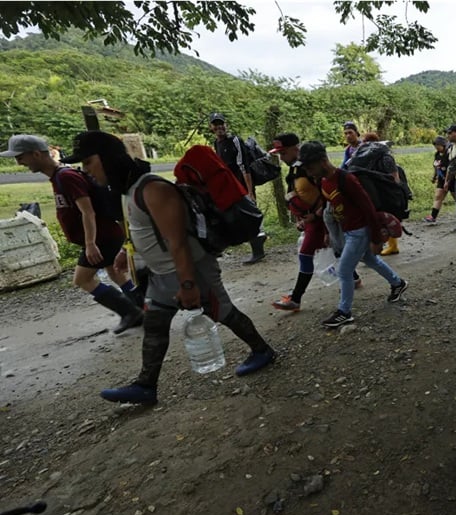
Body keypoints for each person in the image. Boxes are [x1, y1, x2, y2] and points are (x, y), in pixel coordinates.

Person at [62, 130, 277, 405]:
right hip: (163, 273)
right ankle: (145, 385)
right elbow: (144, 230)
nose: (85, 169)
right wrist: (125, 252)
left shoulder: (152, 189)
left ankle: (262, 351)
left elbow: (178, 242)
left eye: (88, 161)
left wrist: (188, 284)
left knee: (223, 311)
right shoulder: (129, 190)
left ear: (106, 158)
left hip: (190, 269)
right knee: (155, 325)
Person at [1, 134, 143, 334]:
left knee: (82, 279)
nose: (19, 162)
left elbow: (87, 211)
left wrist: (90, 243)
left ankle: (130, 312)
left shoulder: (66, 177)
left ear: (36, 154)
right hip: (104, 235)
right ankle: (143, 310)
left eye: (20, 157)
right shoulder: (59, 177)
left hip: (100, 237)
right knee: (116, 273)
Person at [298, 141, 409, 328]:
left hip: (359, 231)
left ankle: (344, 312)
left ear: (323, 160)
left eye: (311, 167)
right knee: (371, 261)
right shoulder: (324, 181)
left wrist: (375, 239)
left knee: (344, 270)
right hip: (347, 230)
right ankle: (398, 283)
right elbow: (329, 207)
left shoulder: (346, 179)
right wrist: (327, 232)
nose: (310, 173)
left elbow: (368, 208)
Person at [269, 133, 327, 312]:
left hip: (321, 220)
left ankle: (295, 299)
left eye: (283, 153)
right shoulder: (294, 168)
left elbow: (328, 193)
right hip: (310, 220)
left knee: (306, 255)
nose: (281, 157)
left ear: (295, 149)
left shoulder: (310, 168)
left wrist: (317, 216)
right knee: (340, 254)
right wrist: (299, 218)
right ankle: (357, 278)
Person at [209, 112, 267, 264]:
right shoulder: (217, 143)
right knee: (236, 218)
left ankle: (258, 250)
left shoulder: (234, 140)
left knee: (249, 217)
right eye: (216, 124)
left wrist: (249, 191)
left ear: (226, 125)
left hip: (242, 186)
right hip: (230, 187)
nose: (219, 127)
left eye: (221, 123)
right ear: (211, 128)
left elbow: (244, 166)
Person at [423, 135, 452, 225]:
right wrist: (434, 176)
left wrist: (447, 181)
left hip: (451, 179)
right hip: (441, 179)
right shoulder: (437, 155)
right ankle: (433, 216)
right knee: (438, 196)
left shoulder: (449, 154)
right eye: (435, 146)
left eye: (438, 145)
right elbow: (437, 167)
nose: (436, 147)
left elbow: (451, 168)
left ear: (443, 145)